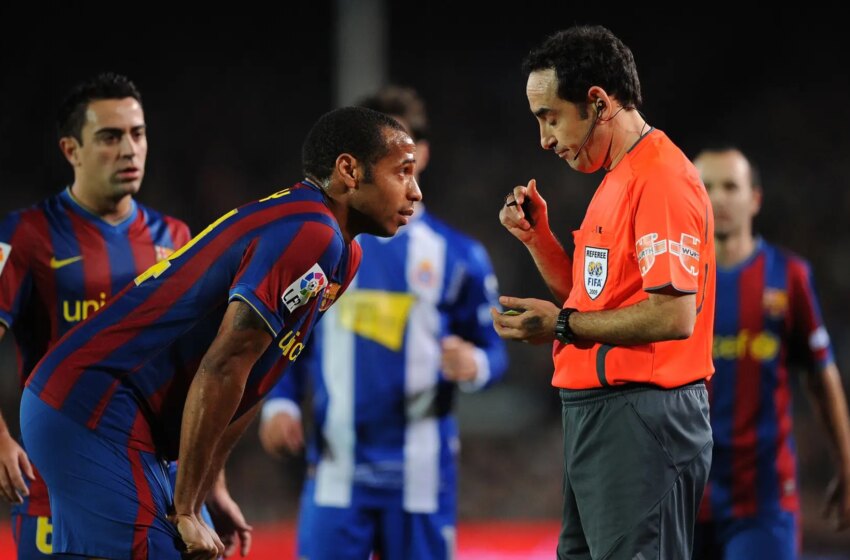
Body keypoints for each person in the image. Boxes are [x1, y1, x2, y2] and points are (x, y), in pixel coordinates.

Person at [19, 105, 422, 559]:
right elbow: (224, 364)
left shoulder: (343, 255)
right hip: (94, 402)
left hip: (123, 416)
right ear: (349, 170)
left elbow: (258, 373)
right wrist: (186, 507)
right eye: (403, 172)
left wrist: (208, 487)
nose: (416, 191)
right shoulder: (310, 232)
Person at [491, 25, 716, 559]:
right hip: (602, 417)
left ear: (597, 102)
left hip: (642, 416)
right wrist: (538, 240)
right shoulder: (618, 180)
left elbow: (672, 316)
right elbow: (595, 301)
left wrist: (560, 326)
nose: (545, 140)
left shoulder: (659, 179)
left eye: (550, 117)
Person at [258, 85, 508, 560]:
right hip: (336, 472)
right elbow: (290, 338)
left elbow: (496, 353)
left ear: (423, 153)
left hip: (420, 478)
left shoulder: (459, 257)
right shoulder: (319, 248)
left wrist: (475, 363)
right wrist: (281, 405)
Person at [0, 73, 192, 559]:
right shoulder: (23, 236)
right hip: (56, 486)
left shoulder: (175, 237)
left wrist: (214, 483)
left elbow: (195, 371)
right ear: (71, 150)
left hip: (158, 487)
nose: (129, 149)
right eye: (110, 137)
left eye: (137, 133)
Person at [691, 146, 850, 559]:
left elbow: (821, 375)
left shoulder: (788, 276)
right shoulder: (670, 282)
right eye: (706, 186)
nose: (718, 197)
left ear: (755, 198)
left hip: (763, 500)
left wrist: (847, 465)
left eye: (730, 186)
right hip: (681, 496)